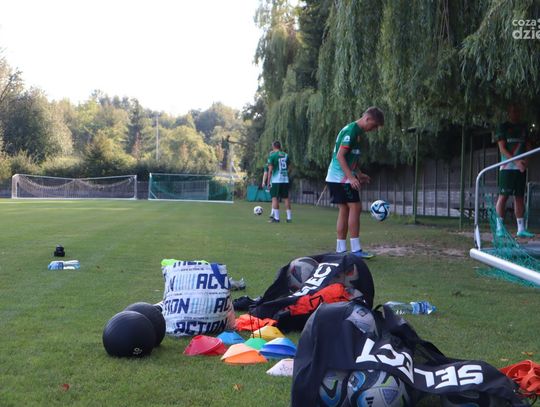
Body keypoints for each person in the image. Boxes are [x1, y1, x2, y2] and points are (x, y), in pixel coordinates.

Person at [325, 107, 385, 257]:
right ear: (367, 119)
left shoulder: (357, 133)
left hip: (338, 178)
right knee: (355, 207)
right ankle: (356, 250)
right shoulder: (351, 131)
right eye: (374, 125)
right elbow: (340, 156)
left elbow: (350, 158)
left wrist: (358, 173)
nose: (374, 129)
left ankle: (341, 250)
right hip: (340, 178)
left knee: (345, 210)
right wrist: (351, 178)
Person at [495, 104, 535, 238]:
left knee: (519, 197)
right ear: (509, 113)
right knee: (503, 196)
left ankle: (521, 229)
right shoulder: (503, 127)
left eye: (518, 111)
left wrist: (525, 162)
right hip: (507, 168)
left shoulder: (524, 128)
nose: (516, 113)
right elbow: (502, 149)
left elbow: (529, 147)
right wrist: (516, 161)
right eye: (513, 111)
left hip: (520, 169)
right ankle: (499, 228)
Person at [266, 141, 292, 223]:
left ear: (273, 146)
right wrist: (286, 173)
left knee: (274, 198)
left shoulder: (272, 156)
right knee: (286, 198)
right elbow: (289, 167)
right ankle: (289, 218)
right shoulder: (286, 155)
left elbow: (270, 170)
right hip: (285, 179)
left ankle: (276, 218)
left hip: (276, 180)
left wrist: (268, 182)